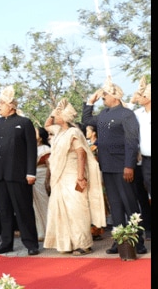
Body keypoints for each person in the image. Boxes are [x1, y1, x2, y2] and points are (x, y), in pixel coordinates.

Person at [82, 79, 147, 255]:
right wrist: (90, 101)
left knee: (129, 204)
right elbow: (86, 119)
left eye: (105, 95)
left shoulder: (126, 114)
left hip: (122, 166)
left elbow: (132, 141)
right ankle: (119, 240)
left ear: (115, 97)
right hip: (107, 166)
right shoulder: (103, 114)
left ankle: (137, 241)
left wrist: (129, 165)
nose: (103, 98)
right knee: (116, 206)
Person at [43, 99, 106, 255]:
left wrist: (80, 177)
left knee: (76, 209)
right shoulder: (59, 131)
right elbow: (46, 125)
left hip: (72, 174)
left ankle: (83, 244)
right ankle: (67, 243)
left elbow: (81, 153)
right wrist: (53, 112)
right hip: (59, 177)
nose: (55, 116)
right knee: (61, 210)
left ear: (64, 117)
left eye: (58, 114)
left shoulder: (74, 132)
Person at [0, 85, 41, 255]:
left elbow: (31, 150)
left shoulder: (24, 123)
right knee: (4, 210)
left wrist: (30, 172)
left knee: (23, 209)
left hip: (19, 174)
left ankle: (31, 243)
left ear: (11, 106)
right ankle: (6, 242)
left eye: (1, 104)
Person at [132, 78, 152, 239]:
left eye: (143, 94)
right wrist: (133, 100)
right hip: (142, 160)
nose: (140, 96)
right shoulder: (137, 114)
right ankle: (149, 228)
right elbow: (125, 114)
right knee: (142, 195)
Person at [33, 126, 51, 242]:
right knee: (35, 205)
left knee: (45, 204)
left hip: (42, 175)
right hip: (33, 177)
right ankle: (40, 231)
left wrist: (48, 180)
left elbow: (49, 165)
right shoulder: (30, 148)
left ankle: (49, 231)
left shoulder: (45, 149)